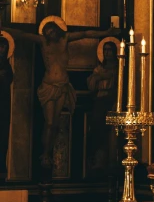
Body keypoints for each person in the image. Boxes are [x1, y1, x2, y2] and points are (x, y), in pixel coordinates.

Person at [5, 18, 117, 170]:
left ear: (57, 30)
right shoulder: (43, 41)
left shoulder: (65, 39)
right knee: (49, 122)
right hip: (48, 86)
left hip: (63, 85)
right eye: (47, 32)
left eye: (51, 31)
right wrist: (4, 28)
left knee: (55, 123)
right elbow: (22, 34)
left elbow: (85, 33)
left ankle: (49, 153)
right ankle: (45, 153)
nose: (49, 34)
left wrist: (106, 33)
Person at [87, 39, 119, 175]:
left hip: (111, 100)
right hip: (100, 101)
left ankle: (109, 161)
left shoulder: (118, 68)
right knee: (97, 130)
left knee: (110, 133)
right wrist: (98, 77)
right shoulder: (99, 68)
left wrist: (103, 77)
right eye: (105, 50)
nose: (107, 53)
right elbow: (91, 84)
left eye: (110, 50)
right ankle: (98, 160)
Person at [0, 35, 14, 181]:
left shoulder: (7, 65)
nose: (1, 49)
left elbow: (8, 77)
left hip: (3, 104)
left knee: (2, 135)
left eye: (4, 47)